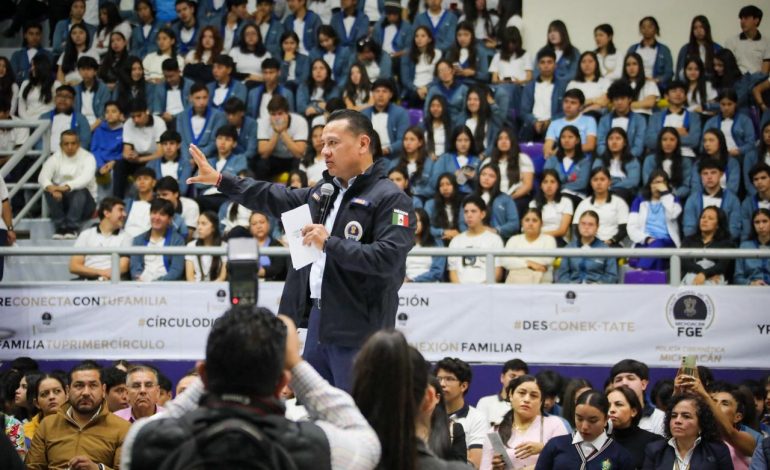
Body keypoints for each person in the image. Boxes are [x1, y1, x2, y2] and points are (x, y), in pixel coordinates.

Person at [186, 109, 414, 391]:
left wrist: (329, 242)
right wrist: (222, 181)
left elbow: (388, 259)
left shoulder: (390, 198)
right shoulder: (325, 192)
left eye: (333, 143)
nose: (325, 152)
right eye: (323, 145)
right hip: (319, 321)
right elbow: (272, 195)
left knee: (358, 415)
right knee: (314, 411)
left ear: (363, 144)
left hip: (361, 328)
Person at [129, 307, 381, 468]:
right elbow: (366, 440)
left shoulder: (148, 442)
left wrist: (212, 370)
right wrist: (294, 362)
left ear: (202, 375)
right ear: (284, 382)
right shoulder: (317, 448)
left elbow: (158, 422)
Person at [25, 363, 131, 470]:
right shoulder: (47, 425)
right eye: (79, 385)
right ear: (68, 391)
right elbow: (32, 467)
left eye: (93, 385)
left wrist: (98, 468)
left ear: (103, 391)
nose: (85, 392)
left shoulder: (122, 429)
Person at [480, 375, 569, 470]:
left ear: (541, 401)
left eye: (533, 395)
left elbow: (567, 462)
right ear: (510, 395)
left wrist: (544, 449)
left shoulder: (555, 424)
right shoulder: (495, 432)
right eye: (522, 393)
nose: (526, 399)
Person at [536, 390, 634, 470]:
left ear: (606, 419)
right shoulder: (555, 445)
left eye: (593, 420)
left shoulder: (620, 456)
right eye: (579, 418)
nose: (584, 427)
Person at [641, 393, 734, 469]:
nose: (677, 421)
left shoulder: (717, 450)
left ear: (701, 423)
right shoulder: (655, 450)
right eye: (674, 416)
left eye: (686, 416)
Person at [38, 130, 97, 239]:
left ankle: (72, 228)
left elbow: (85, 179)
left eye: (73, 143)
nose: (70, 147)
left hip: (86, 205)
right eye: (66, 144)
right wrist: (52, 188)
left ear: (78, 144)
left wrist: (64, 188)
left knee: (80, 190)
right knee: (48, 189)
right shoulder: (55, 158)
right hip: (63, 202)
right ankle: (60, 227)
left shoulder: (88, 157)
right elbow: (42, 177)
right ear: (61, 145)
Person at [434, 357, 489, 468]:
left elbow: (475, 464)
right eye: (438, 379)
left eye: (449, 379)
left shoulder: (477, 418)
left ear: (463, 386)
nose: (442, 384)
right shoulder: (426, 414)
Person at [627, 170, 683, 270]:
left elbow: (673, 214)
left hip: (667, 242)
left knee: (658, 244)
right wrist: (647, 239)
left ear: (667, 185)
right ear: (650, 185)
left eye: (662, 182)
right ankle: (654, 283)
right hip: (644, 241)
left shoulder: (673, 199)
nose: (658, 186)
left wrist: (665, 193)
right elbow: (631, 227)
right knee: (657, 258)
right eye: (655, 182)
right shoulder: (639, 201)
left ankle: (640, 270)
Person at [113, 99, 167, 198]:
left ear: (147, 111)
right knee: (119, 165)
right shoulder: (128, 123)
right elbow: (126, 149)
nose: (136, 120)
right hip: (137, 157)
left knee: (148, 167)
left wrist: (140, 159)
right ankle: (117, 199)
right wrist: (129, 156)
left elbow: (160, 152)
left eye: (139, 116)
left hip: (153, 158)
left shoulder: (159, 123)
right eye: (133, 117)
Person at [69, 196, 131, 280]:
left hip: (113, 282)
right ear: (107, 213)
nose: (125, 214)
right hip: (87, 281)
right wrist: (101, 273)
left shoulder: (126, 236)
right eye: (120, 210)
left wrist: (106, 276)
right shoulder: (86, 234)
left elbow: (123, 267)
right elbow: (74, 266)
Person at [448, 194, 504, 284]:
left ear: (482, 214)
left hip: (486, 291)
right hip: (460, 291)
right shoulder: (456, 241)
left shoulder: (495, 240)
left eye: (473, 211)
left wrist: (480, 289)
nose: (469, 215)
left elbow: (497, 272)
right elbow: (453, 271)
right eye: (466, 212)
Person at [683, 159, 742, 241]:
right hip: (698, 245)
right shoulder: (692, 200)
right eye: (705, 173)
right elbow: (689, 229)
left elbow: (734, 230)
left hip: (724, 245)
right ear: (700, 176)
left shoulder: (733, 200)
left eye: (713, 172)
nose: (709, 177)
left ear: (721, 174)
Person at [129, 198, 186, 282]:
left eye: (162, 214)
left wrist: (158, 282)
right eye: (154, 213)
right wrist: (139, 280)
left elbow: (176, 269)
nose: (157, 217)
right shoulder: (138, 240)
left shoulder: (177, 241)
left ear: (170, 219)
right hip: (142, 285)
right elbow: (135, 267)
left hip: (166, 286)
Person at [606, 385, 662, 468]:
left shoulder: (653, 442)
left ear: (634, 411)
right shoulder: (598, 440)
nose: (611, 410)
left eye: (619, 404)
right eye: (607, 405)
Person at [459, 164, 520, 241]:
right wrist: (472, 234)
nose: (486, 178)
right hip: (472, 241)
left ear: (497, 179)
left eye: (491, 176)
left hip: (498, 241)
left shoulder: (505, 199)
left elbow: (514, 224)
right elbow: (462, 223)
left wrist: (496, 230)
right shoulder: (469, 198)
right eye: (483, 174)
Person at [644, 80, 702, 158]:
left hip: (685, 155)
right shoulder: (655, 117)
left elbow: (694, 141)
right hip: (659, 155)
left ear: (685, 97)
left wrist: (663, 137)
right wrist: (676, 132)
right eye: (674, 91)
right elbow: (650, 141)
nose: (678, 94)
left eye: (681, 91)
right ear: (666, 96)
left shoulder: (694, 117)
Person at [573, 167, 630, 247]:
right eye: (595, 180)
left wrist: (612, 240)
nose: (599, 183)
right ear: (591, 182)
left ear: (609, 182)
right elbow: (576, 227)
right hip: (588, 244)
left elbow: (624, 229)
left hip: (612, 244)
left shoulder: (619, 203)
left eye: (602, 179)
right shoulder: (584, 204)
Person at [255, 94, 308, 180]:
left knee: (300, 164)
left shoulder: (300, 121)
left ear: (287, 113)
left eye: (280, 114)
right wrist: (276, 132)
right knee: (261, 164)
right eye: (273, 114)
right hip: (274, 158)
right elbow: (264, 154)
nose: (277, 118)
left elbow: (299, 153)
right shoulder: (263, 122)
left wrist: (283, 132)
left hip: (293, 159)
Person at [556, 211, 618, 284]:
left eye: (591, 224)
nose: (586, 227)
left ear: (597, 227)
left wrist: (598, 285)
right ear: (578, 226)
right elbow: (562, 275)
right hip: (573, 290)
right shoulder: (569, 247)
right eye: (583, 224)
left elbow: (612, 276)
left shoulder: (605, 249)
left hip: (598, 291)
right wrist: (571, 286)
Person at [519, 48, 566, 143]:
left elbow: (564, 111)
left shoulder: (563, 86)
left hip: (552, 123)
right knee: (526, 127)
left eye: (549, 62)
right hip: (532, 124)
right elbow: (523, 111)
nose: (546, 66)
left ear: (555, 65)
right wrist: (534, 122)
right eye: (542, 62)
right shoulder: (529, 86)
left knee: (553, 129)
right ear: (538, 65)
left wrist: (550, 121)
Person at [609, 359, 666, 436]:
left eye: (630, 378)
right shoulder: (605, 418)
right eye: (618, 380)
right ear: (612, 386)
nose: (624, 383)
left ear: (643, 384)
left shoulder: (660, 419)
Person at [681, 206, 735, 285]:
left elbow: (722, 266)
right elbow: (684, 262)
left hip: (716, 278)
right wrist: (703, 273)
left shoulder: (726, 243)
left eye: (710, 218)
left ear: (718, 225)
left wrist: (705, 274)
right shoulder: (688, 240)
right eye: (703, 217)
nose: (705, 220)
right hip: (692, 276)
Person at [703, 89, 756, 166]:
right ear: (719, 104)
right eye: (723, 104)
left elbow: (751, 143)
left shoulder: (745, 120)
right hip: (716, 157)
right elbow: (704, 141)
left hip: (739, 158)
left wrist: (738, 151)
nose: (726, 108)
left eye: (729, 104)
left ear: (735, 104)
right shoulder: (711, 122)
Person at [502, 208, 557, 284]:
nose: (530, 224)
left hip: (542, 284)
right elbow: (505, 261)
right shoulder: (513, 240)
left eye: (535, 220)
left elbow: (548, 260)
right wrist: (529, 263)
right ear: (522, 223)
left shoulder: (549, 240)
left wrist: (517, 261)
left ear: (541, 224)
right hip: (515, 284)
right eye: (527, 220)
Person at [176, 82, 227, 163]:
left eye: (204, 97)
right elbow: (181, 141)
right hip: (187, 159)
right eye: (198, 98)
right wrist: (187, 160)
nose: (202, 102)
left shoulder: (219, 116)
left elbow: (214, 142)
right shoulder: (181, 116)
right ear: (190, 98)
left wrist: (197, 158)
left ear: (209, 97)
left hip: (209, 159)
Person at [543, 125, 592, 207]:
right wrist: (567, 180)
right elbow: (546, 177)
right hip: (553, 195)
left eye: (570, 137)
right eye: (563, 137)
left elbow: (582, 183)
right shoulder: (552, 159)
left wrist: (559, 186)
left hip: (577, 196)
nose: (566, 140)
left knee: (565, 200)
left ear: (577, 140)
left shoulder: (584, 161)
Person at [597, 81, 647, 160]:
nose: (619, 102)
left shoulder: (640, 120)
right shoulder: (604, 120)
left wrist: (624, 159)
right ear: (612, 101)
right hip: (607, 159)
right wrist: (610, 158)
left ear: (629, 99)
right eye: (616, 99)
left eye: (623, 98)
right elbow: (600, 144)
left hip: (630, 159)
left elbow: (638, 146)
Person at [361, 78, 409, 159]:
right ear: (372, 94)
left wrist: (387, 149)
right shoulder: (363, 114)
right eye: (377, 91)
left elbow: (403, 140)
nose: (380, 95)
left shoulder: (401, 113)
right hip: (368, 155)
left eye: (384, 91)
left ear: (390, 94)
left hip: (392, 155)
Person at [642, 127, 693, 200]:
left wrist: (670, 195)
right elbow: (647, 182)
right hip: (654, 195)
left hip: (676, 197)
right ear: (660, 141)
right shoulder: (650, 160)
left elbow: (686, 187)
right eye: (664, 139)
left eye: (672, 140)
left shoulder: (685, 162)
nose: (668, 143)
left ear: (677, 142)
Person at [593, 127, 642, 204]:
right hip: (602, 192)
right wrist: (618, 180)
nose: (614, 142)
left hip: (624, 193)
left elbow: (633, 181)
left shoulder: (632, 160)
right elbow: (595, 177)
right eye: (611, 139)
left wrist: (611, 184)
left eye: (618, 139)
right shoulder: (600, 160)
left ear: (625, 142)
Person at [476, 360, 530, 428]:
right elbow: (480, 433)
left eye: (520, 378)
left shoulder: (528, 405)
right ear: (502, 377)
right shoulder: (485, 403)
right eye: (512, 376)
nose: (516, 381)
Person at [400, 25, 442, 107]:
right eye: (417, 36)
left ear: (429, 39)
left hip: (432, 88)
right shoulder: (407, 56)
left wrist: (427, 88)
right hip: (413, 89)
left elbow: (438, 77)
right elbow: (405, 79)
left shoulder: (437, 53)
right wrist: (417, 89)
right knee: (414, 96)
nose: (419, 39)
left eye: (423, 36)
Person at [529, 169, 574, 246]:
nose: (549, 185)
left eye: (552, 182)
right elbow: (532, 225)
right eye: (545, 182)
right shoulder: (533, 204)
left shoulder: (566, 202)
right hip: (538, 240)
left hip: (559, 240)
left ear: (558, 185)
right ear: (540, 185)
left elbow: (562, 230)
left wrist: (541, 235)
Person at [627, 16, 673, 87]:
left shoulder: (664, 50)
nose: (646, 29)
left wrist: (656, 80)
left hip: (657, 84)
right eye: (643, 27)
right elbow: (626, 68)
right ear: (640, 30)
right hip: (635, 84)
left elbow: (669, 72)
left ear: (656, 29)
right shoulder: (633, 49)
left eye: (650, 26)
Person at [724, 5, 770, 75]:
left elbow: (765, 72)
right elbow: (728, 68)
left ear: (756, 20)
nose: (742, 21)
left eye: (746, 18)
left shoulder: (766, 43)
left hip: (758, 82)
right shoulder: (731, 41)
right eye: (741, 18)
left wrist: (757, 85)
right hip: (737, 81)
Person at [44, 84, 91, 152]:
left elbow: (85, 141)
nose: (63, 99)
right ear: (55, 98)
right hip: (47, 157)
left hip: (72, 157)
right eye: (59, 96)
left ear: (73, 101)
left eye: (67, 96)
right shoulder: (44, 117)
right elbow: (37, 141)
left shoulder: (81, 119)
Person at [404, 207, 446, 283]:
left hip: (430, 285)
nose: (415, 224)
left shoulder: (436, 243)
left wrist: (414, 280)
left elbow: (437, 271)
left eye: (418, 221)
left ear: (424, 223)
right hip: (406, 285)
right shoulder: (403, 244)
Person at [676, 15, 722, 80]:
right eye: (695, 28)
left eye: (701, 27)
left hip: (712, 84)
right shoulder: (685, 49)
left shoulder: (717, 49)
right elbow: (680, 73)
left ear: (707, 28)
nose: (698, 30)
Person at [247, 210, 289, 281]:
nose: (259, 226)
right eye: (254, 224)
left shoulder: (277, 245)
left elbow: (278, 267)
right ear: (250, 228)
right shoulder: (244, 246)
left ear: (268, 224)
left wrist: (261, 272)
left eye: (262, 222)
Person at [149, 58, 191, 129]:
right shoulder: (159, 87)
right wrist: (162, 115)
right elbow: (157, 109)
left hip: (185, 120)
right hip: (165, 121)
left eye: (171, 76)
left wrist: (174, 117)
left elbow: (191, 109)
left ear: (179, 72)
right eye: (166, 77)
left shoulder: (190, 86)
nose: (168, 80)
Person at [566, 51, 609, 119]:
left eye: (590, 61)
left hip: (598, 115)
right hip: (576, 115)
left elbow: (604, 102)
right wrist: (594, 100)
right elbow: (571, 103)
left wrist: (586, 109)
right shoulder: (573, 84)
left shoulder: (604, 82)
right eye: (583, 62)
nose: (587, 65)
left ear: (596, 64)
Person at [228, 22, 271, 87]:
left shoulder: (266, 54)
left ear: (258, 36)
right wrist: (248, 76)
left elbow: (270, 75)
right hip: (239, 85)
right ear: (243, 36)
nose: (251, 37)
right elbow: (231, 73)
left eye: (253, 34)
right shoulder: (234, 51)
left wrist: (257, 79)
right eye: (247, 34)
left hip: (260, 85)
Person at [537, 20, 580, 84]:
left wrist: (557, 82)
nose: (552, 34)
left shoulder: (573, 52)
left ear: (563, 33)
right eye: (550, 31)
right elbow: (536, 72)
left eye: (555, 31)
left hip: (566, 86)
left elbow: (574, 73)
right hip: (545, 85)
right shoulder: (543, 51)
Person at [425, 172, 463, 243]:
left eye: (448, 184)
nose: (445, 188)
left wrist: (457, 235)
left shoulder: (462, 203)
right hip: (438, 241)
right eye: (441, 185)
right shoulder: (430, 204)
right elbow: (426, 227)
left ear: (454, 186)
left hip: (459, 240)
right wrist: (443, 232)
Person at [735, 208, 770, 285]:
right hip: (751, 290)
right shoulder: (744, 246)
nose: (761, 226)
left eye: (765, 221)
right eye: (757, 222)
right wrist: (751, 283)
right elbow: (737, 278)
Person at [619, 52, 660, 117]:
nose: (631, 68)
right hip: (624, 117)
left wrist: (627, 105)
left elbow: (649, 103)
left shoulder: (649, 84)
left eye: (634, 64)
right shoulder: (619, 85)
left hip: (643, 116)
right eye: (628, 65)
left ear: (640, 66)